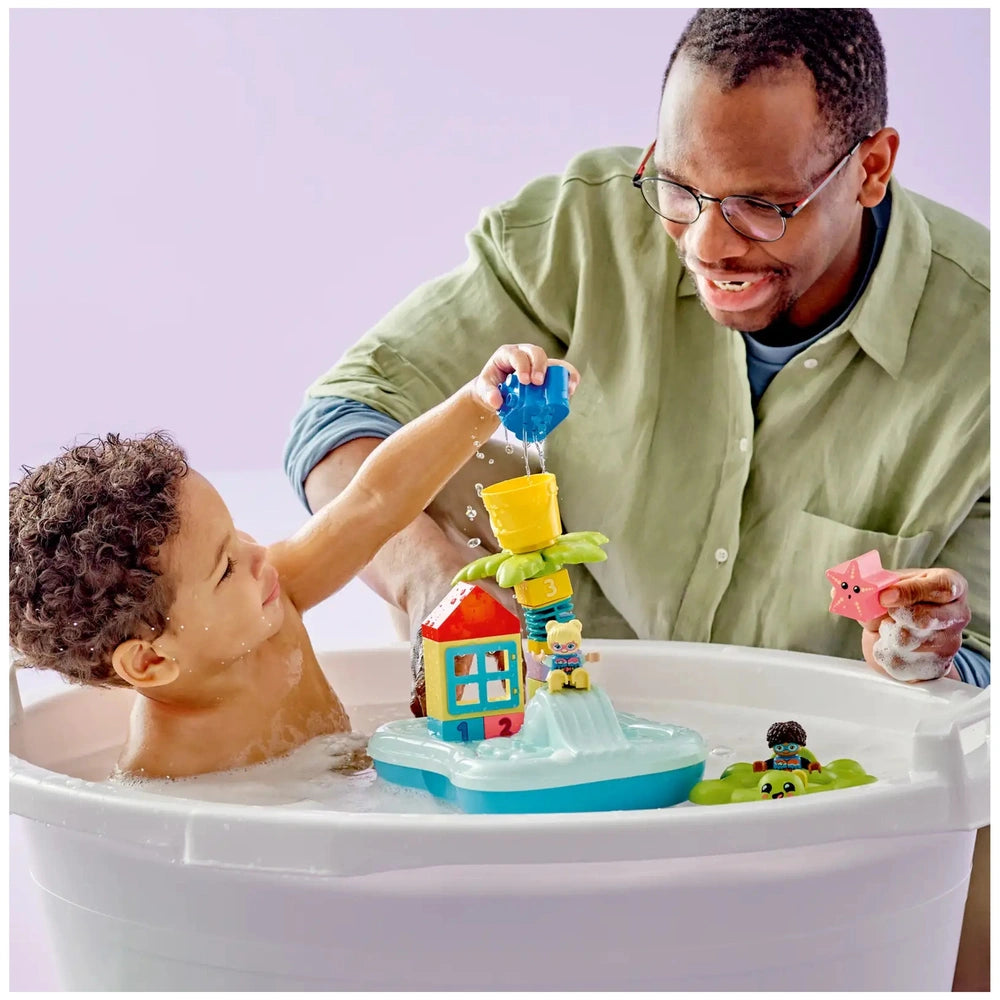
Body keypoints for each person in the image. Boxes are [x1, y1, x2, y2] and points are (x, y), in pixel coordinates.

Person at [282, 10, 988, 989]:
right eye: (679, 188)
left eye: (760, 207)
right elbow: (339, 421)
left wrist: (928, 645)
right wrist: (430, 586)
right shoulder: (581, 230)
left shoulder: (980, 346)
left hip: (818, 821)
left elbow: (975, 670)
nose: (706, 243)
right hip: (554, 794)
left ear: (872, 168)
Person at [9, 345, 577, 780]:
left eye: (236, 534)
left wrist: (479, 404)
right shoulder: (163, 774)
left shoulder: (273, 603)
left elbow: (374, 501)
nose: (258, 554)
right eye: (225, 567)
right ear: (152, 662)